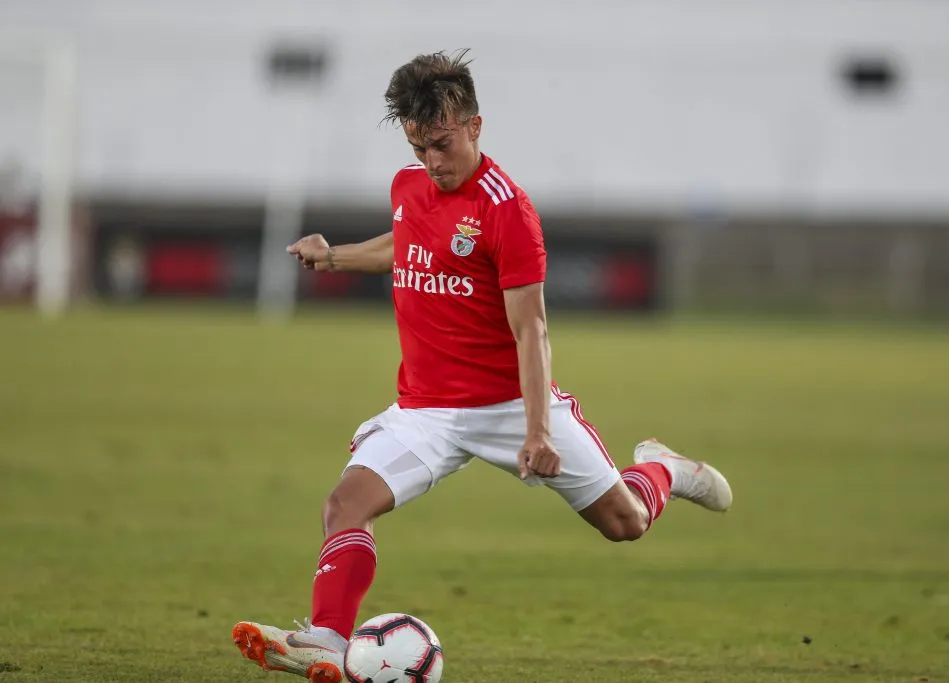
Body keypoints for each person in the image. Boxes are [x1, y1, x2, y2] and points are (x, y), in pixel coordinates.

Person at [232, 49, 733, 683]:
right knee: (344, 504)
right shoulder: (408, 186)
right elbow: (408, 243)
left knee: (624, 525)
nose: (432, 163)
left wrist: (538, 432)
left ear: (475, 125)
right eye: (419, 149)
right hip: (426, 411)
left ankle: (661, 469)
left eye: (441, 145)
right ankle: (328, 641)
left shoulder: (508, 211)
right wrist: (334, 258)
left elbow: (533, 329)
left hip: (509, 406)